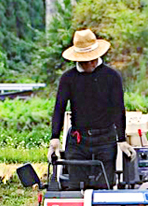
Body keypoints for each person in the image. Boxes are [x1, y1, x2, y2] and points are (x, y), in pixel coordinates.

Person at [48, 28, 133, 190]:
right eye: (86, 61)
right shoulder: (68, 79)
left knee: (105, 187)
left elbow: (118, 109)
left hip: (105, 138)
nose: (91, 64)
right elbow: (59, 107)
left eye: (93, 59)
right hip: (79, 140)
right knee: (74, 187)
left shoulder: (111, 77)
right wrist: (54, 138)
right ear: (78, 60)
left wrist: (121, 139)